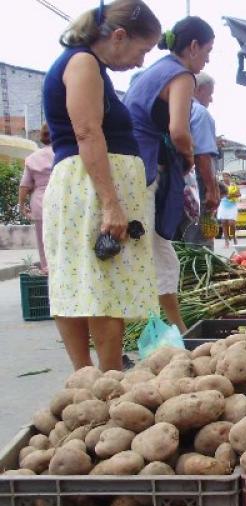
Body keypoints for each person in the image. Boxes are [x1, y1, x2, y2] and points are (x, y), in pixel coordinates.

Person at [41, 0, 161, 371]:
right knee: (102, 287)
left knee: (81, 283)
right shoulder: (83, 63)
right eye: (142, 51)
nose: (140, 62)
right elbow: (87, 132)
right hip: (90, 190)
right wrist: (111, 203)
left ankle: (90, 380)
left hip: (84, 186)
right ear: (120, 36)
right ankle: (103, 378)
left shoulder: (85, 64)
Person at [124, 15, 215, 333]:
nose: (207, 59)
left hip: (131, 171)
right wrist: (187, 155)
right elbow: (179, 130)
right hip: (140, 173)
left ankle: (176, 331)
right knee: (137, 254)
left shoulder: (155, 70)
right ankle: (151, 331)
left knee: (159, 253)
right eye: (207, 51)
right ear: (192, 47)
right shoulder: (181, 74)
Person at [182, 70, 220, 247]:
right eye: (210, 94)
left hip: (179, 186)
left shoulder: (179, 110)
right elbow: (202, 156)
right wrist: (212, 190)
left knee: (181, 237)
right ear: (200, 90)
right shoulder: (200, 112)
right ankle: (201, 273)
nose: (211, 100)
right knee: (200, 241)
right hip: (198, 187)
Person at [18, 124, 54, 274]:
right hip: (60, 199)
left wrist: (21, 205)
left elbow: (24, 185)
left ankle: (47, 271)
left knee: (43, 241)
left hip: (40, 203)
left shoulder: (32, 158)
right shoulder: (64, 153)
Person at [217, 181, 239, 247]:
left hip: (232, 206)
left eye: (226, 176)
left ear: (229, 177)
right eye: (224, 176)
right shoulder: (220, 185)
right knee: (224, 223)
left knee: (231, 223)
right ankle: (226, 242)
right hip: (223, 206)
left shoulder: (233, 184)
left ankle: (234, 237)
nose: (225, 177)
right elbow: (218, 195)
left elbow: (239, 194)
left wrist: (231, 196)